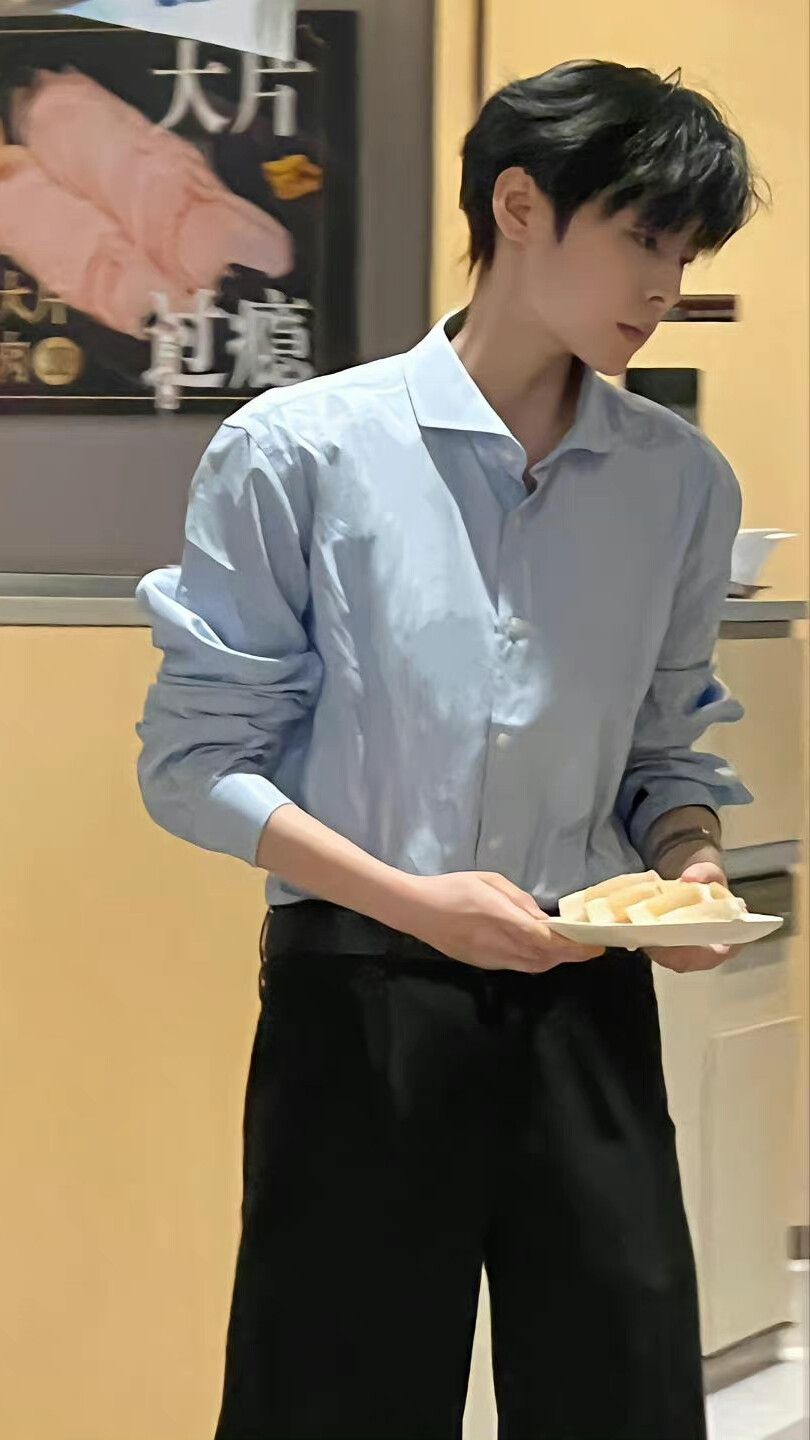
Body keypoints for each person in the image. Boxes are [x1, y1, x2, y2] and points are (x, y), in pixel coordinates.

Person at [136, 58, 764, 1440]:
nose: (667, 285)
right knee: (332, 1402)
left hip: (584, 1004)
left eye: (688, 253)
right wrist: (414, 903)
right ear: (520, 206)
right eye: (645, 239)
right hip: (359, 999)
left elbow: (668, 754)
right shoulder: (299, 451)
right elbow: (193, 765)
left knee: (623, 1393)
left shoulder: (678, 483)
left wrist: (691, 868)